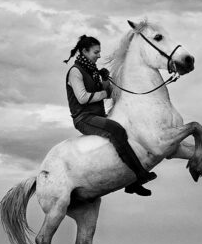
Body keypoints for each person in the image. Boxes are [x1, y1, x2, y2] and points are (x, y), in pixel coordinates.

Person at [64, 35, 156, 196]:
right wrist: (105, 92)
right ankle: (139, 175)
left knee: (128, 126)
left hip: (98, 115)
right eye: (96, 52)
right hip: (84, 119)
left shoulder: (93, 71)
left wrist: (106, 80)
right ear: (84, 51)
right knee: (116, 130)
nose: (99, 55)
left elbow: (110, 91)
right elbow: (82, 97)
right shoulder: (75, 72)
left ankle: (131, 183)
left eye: (99, 52)